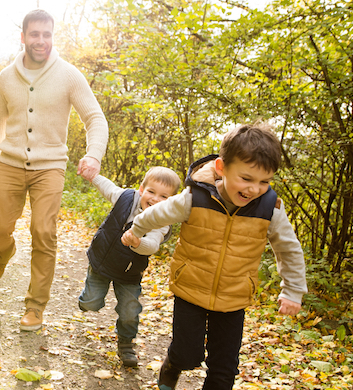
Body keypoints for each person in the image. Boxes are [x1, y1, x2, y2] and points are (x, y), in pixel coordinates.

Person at [121, 123, 308, 390]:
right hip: (191, 289)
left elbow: (288, 248)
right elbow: (156, 213)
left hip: (234, 297)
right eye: (246, 178)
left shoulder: (270, 209)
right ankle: (173, 363)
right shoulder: (195, 198)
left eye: (264, 181)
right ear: (221, 168)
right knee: (188, 355)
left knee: (224, 371)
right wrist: (136, 230)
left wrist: (293, 290)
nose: (254, 189)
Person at [0, 9, 109, 331]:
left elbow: (95, 118)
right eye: (35, 34)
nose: (41, 41)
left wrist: (94, 155)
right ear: (23, 37)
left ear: (53, 36)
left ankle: (35, 306)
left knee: (43, 231)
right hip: (9, 163)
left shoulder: (68, 75)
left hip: (50, 166)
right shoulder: (6, 77)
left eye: (47, 34)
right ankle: (3, 254)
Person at [78, 166, 181, 367]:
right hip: (103, 261)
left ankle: (126, 343)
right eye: (151, 192)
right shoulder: (126, 198)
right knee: (92, 302)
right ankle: (87, 301)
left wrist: (137, 243)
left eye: (163, 196)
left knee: (129, 310)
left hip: (129, 272)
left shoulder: (162, 221)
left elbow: (152, 245)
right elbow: (108, 187)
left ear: (170, 201)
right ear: (142, 189)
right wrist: (93, 176)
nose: (155, 199)